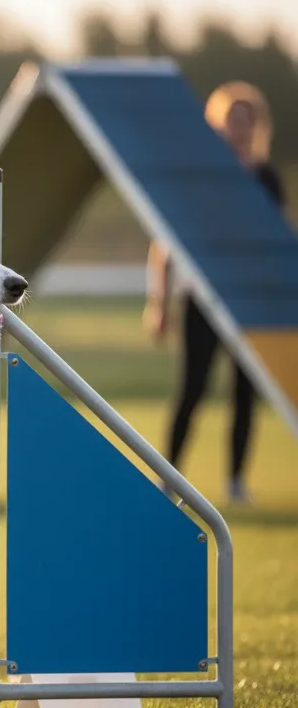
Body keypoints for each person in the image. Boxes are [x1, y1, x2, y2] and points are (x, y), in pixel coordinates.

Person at [143, 81, 286, 503]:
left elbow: (275, 241)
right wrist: (159, 303)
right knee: (191, 390)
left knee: (246, 394)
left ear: (256, 126)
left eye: (245, 120)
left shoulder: (267, 178)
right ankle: (170, 477)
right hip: (202, 298)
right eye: (230, 119)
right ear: (215, 124)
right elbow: (166, 243)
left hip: (251, 301)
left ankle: (236, 482)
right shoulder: (199, 178)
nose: (237, 127)